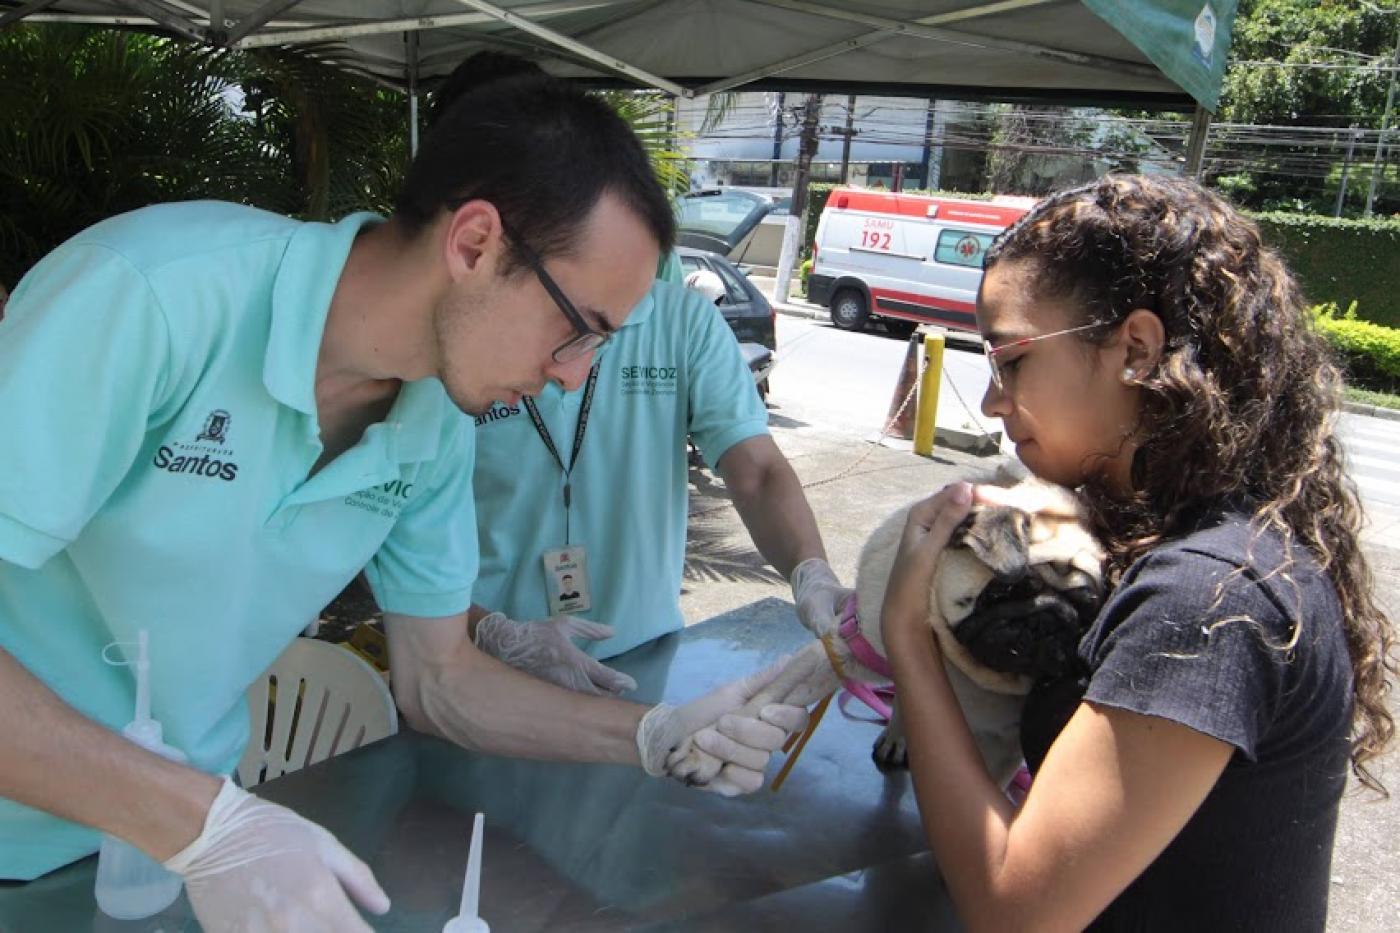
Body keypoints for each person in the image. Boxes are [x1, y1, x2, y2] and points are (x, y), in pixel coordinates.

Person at [0, 61, 809, 931]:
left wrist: (656, 733)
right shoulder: (154, 299)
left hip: (179, 851)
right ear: (472, 244)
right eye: (579, 331)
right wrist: (207, 823)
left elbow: (442, 680)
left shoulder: (432, 420)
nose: (574, 379)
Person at [875, 174, 1395, 931]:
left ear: (1138, 350)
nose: (991, 400)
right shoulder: (1170, 539)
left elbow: (1012, 909)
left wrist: (907, 639)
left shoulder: (1210, 598)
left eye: (1010, 358)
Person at [433, 54, 852, 697]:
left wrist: (811, 572)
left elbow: (756, 466)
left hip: (640, 661)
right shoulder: (444, 337)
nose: (567, 371)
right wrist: (494, 632)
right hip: (476, 665)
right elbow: (396, 541)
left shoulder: (679, 321)